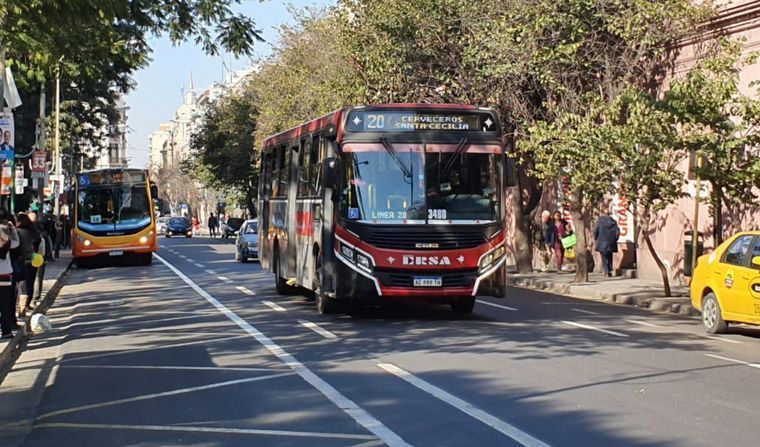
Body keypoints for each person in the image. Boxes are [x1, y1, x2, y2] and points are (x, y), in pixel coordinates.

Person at [0, 209, 20, 339]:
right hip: (5, 275)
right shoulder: (7, 242)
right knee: (6, 305)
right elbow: (16, 242)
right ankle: (6, 331)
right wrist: (12, 229)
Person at [16, 213, 41, 315]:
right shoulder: (33, 232)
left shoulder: (17, 232)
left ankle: (22, 307)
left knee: (22, 285)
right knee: (30, 282)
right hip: (34, 258)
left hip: (22, 260)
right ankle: (27, 304)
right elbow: (38, 241)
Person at [594, 211, 621, 277]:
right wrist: (615, 239)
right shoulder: (614, 222)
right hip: (611, 242)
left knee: (603, 257)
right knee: (609, 256)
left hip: (602, 241)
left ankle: (606, 271)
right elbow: (617, 232)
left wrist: (596, 238)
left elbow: (595, 231)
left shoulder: (600, 221)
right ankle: (609, 270)